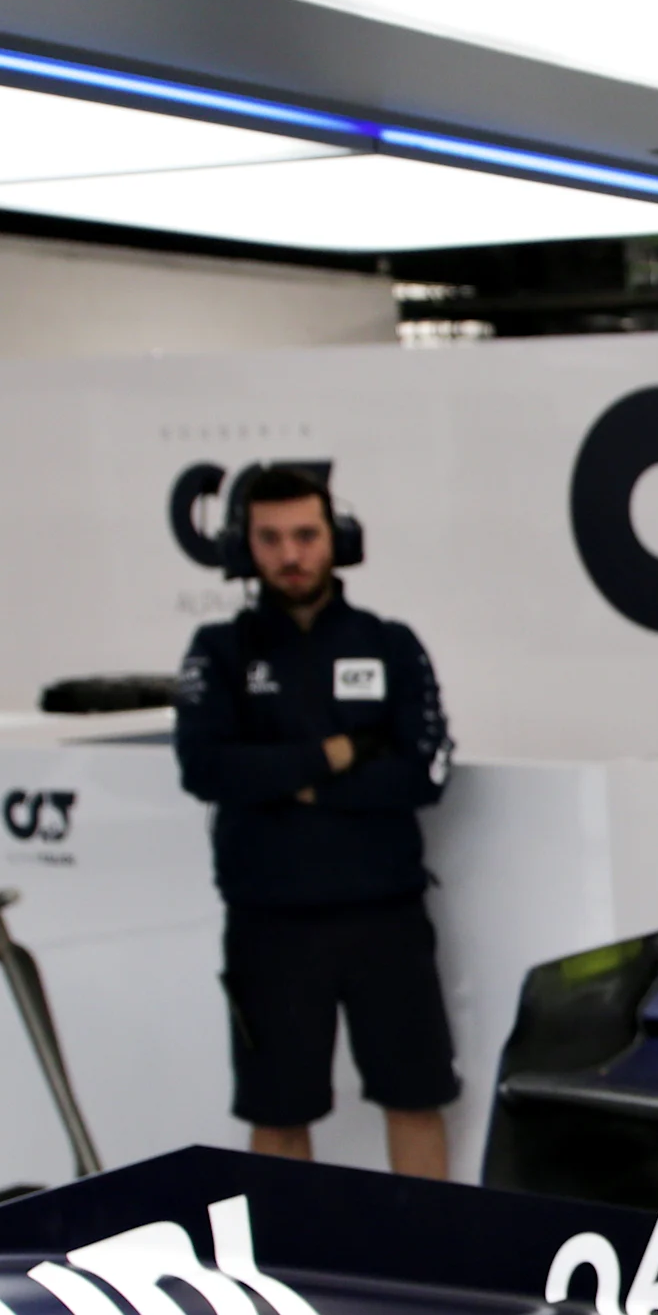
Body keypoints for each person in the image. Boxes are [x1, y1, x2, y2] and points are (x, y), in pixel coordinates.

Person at [173, 465, 457, 1178]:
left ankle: (435, 1247)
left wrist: (287, 783)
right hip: (270, 924)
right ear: (245, 547)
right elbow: (205, 769)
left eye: (305, 535)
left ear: (337, 539)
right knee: (277, 1112)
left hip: (385, 915)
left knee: (416, 1097)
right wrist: (335, 753)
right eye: (270, 538)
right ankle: (282, 1253)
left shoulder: (389, 643)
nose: (290, 554)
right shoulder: (219, 650)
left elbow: (422, 774)